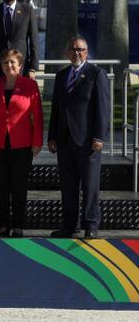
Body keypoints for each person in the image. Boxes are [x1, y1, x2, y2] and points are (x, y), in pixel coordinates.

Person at [48, 36, 110, 239]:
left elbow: (103, 109)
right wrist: (52, 136)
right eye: (73, 49)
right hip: (65, 141)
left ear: (87, 52)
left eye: (80, 49)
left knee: (90, 186)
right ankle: (69, 225)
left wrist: (100, 136)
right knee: (68, 187)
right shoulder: (62, 76)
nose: (76, 53)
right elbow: (56, 109)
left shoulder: (96, 74)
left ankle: (91, 224)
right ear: (67, 52)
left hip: (87, 141)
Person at [0, 48, 44, 237]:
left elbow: (38, 116)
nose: (9, 66)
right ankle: (3, 225)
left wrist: (37, 142)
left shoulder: (30, 85)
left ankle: (18, 225)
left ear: (20, 65)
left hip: (22, 143)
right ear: (1, 66)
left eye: (12, 63)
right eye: (5, 63)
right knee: (1, 185)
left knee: (19, 185)